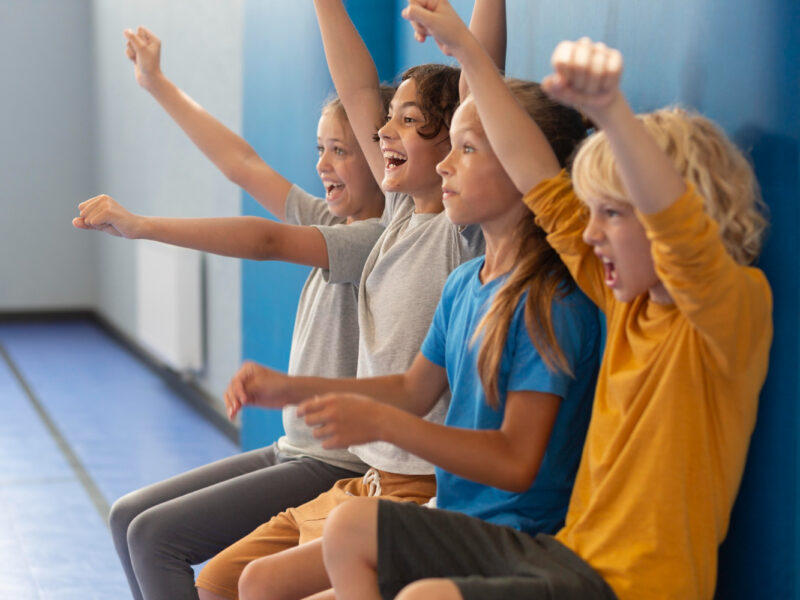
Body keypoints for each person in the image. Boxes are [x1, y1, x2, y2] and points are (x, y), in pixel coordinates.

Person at [319, 3, 773, 600]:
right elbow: (539, 182)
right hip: (566, 555)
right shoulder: (620, 302)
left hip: (635, 586)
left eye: (611, 213)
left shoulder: (728, 308)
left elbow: (678, 232)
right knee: (350, 529)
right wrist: (467, 53)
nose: (589, 233)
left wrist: (611, 113)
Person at [233, 76, 598, 600]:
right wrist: (294, 388)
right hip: (454, 519)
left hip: (516, 534)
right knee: (261, 582)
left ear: (522, 168)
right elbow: (412, 390)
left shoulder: (549, 303)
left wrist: (385, 424)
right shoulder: (463, 285)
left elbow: (517, 463)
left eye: (466, 149)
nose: (447, 162)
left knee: (349, 530)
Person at [190, 1, 505, 598]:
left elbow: (481, 87)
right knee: (223, 582)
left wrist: (468, 35)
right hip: (369, 481)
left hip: (417, 485)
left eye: (408, 121)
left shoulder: (458, 230)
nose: (382, 132)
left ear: (456, 140)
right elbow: (356, 86)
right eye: (386, 120)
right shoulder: (400, 216)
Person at [73, 27, 392, 600]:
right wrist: (157, 83)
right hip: (292, 448)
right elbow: (240, 163)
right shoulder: (333, 219)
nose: (324, 164)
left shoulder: (375, 238)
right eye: (320, 148)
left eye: (341, 150)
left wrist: (144, 226)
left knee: (154, 537)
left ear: (380, 156)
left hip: (333, 462)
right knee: (128, 517)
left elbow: (267, 242)